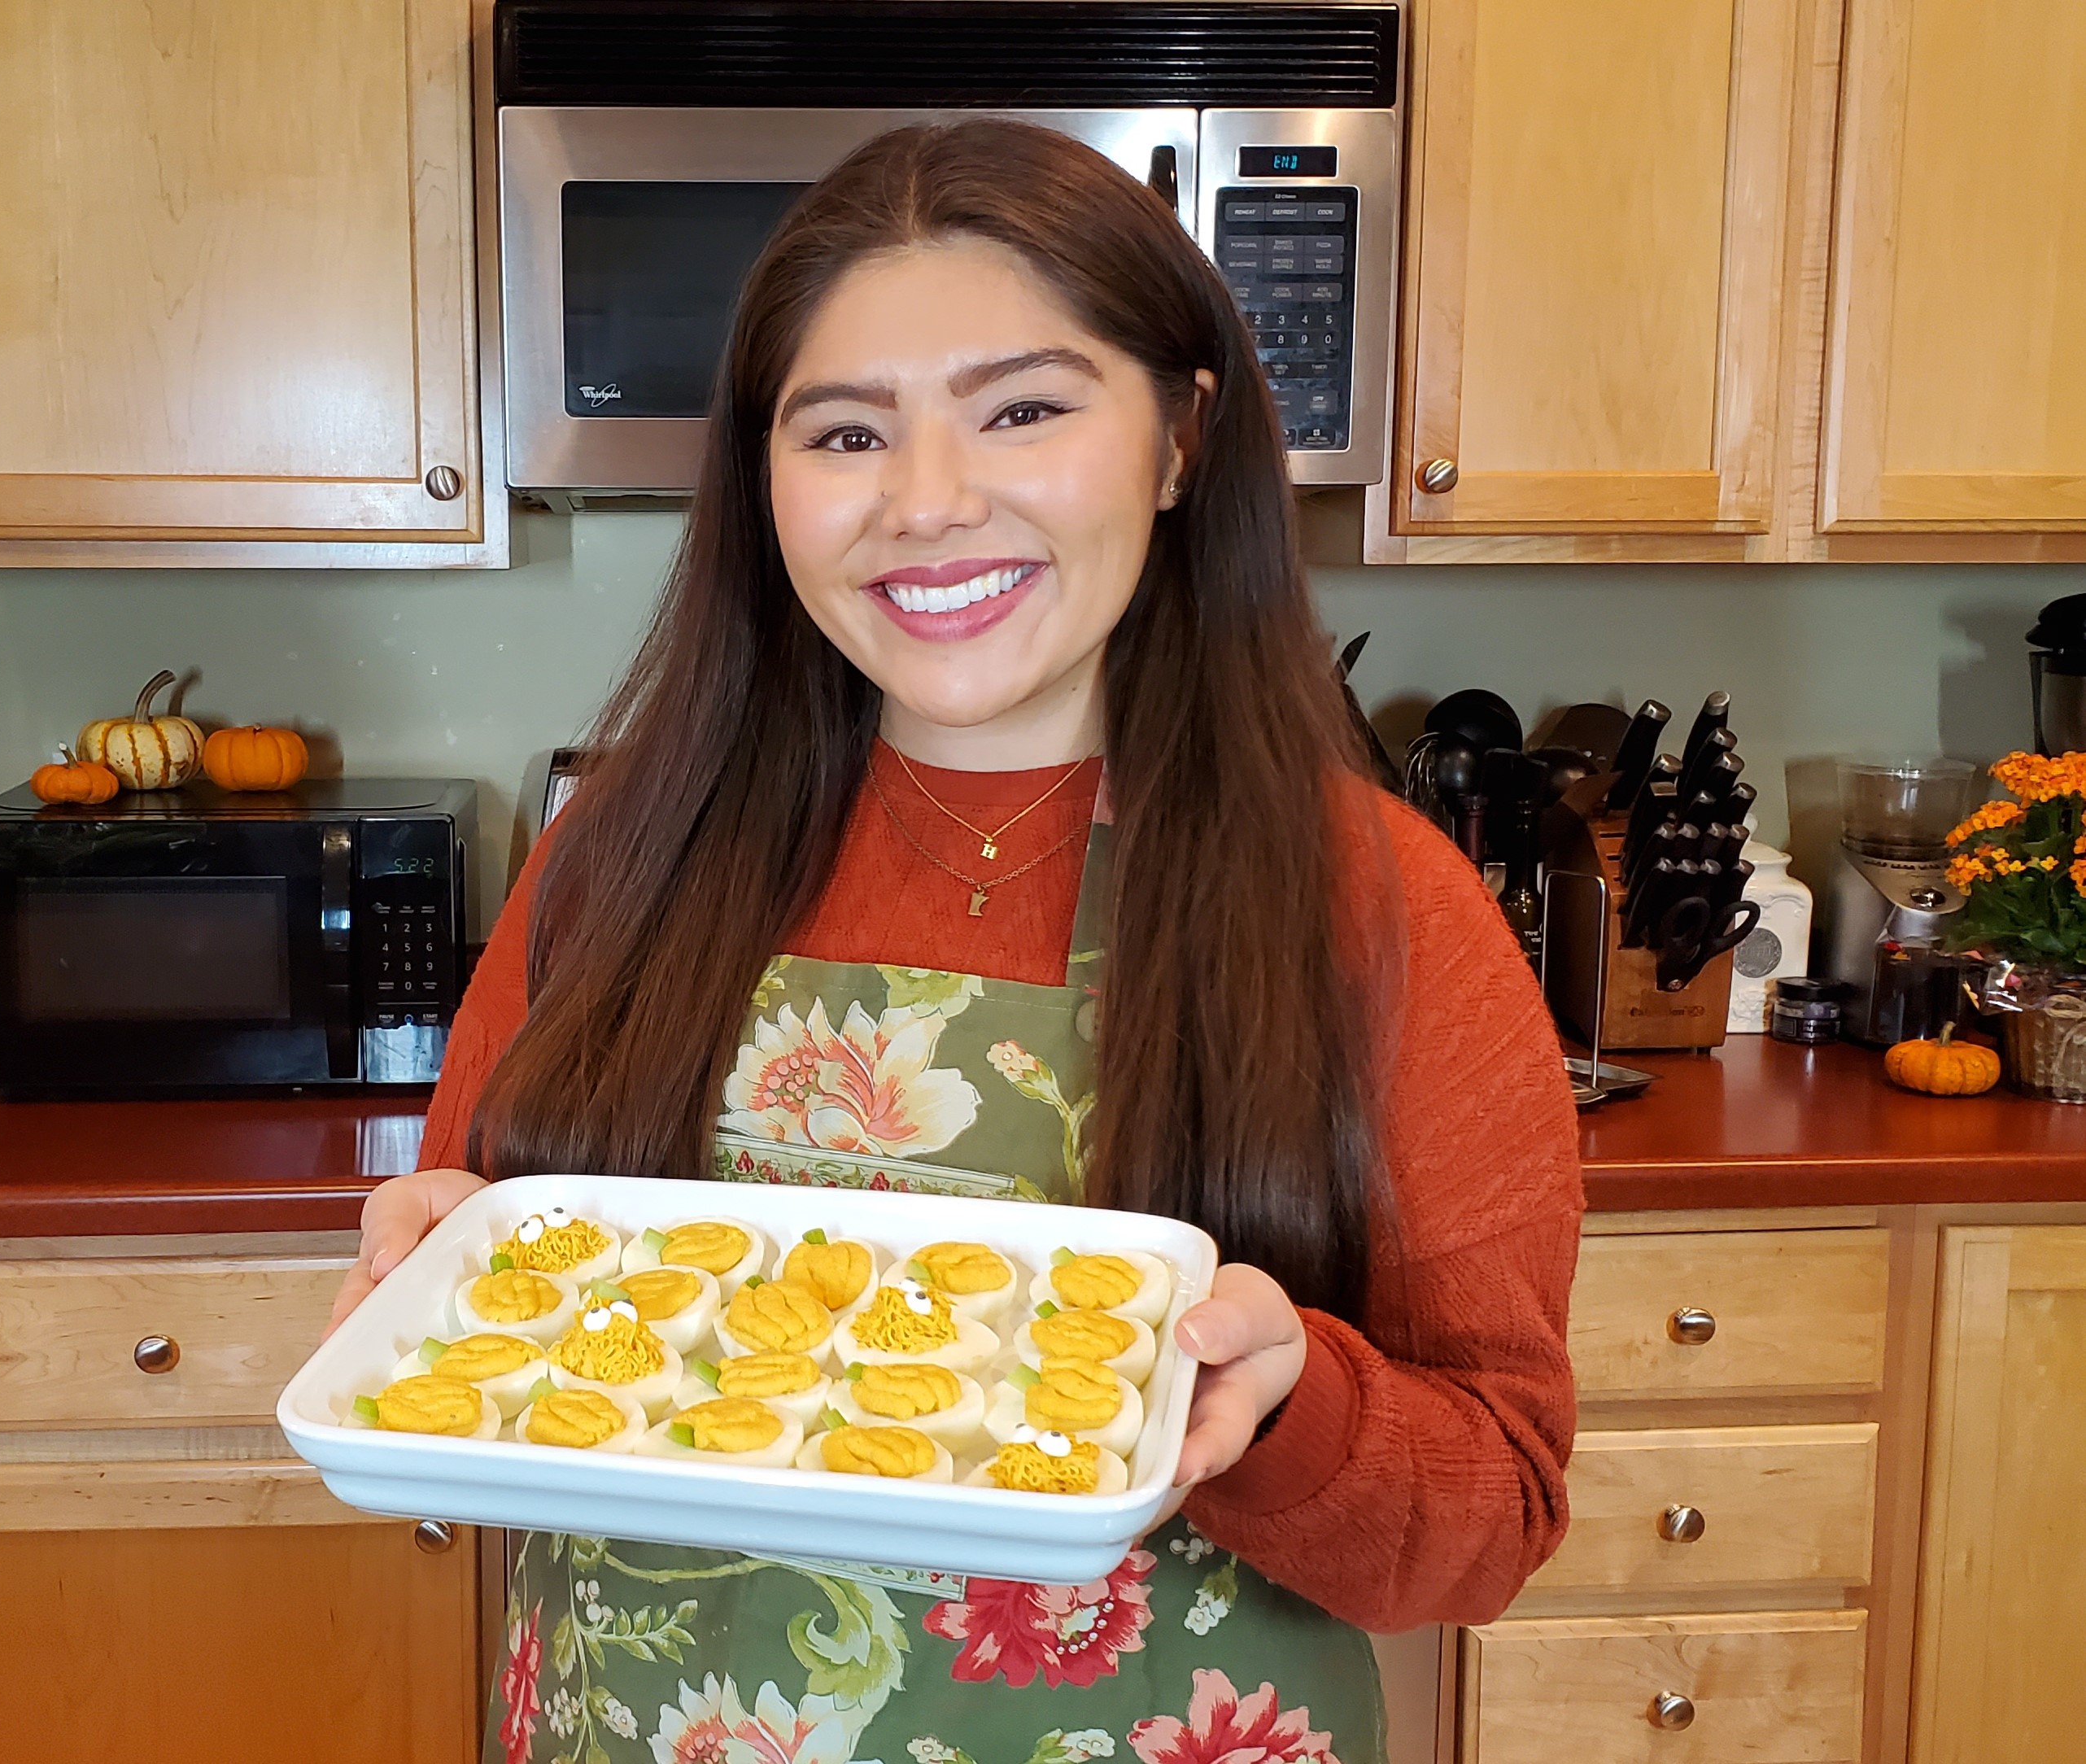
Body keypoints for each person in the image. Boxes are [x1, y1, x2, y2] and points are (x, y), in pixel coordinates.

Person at [329, 120, 1581, 1764]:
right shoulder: (626, 860)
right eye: (846, 431)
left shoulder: (1382, 906)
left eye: (1026, 409)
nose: (928, 503)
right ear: (763, 480)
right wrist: (435, 1254)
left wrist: (1291, 1407)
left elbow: (1490, 1516)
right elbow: (481, 1314)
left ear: (1181, 438)